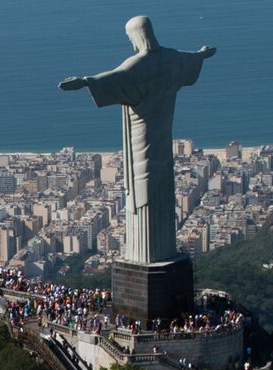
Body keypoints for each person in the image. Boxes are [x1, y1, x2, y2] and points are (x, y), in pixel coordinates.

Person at [59, 15, 216, 263]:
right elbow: (190, 59)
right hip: (164, 137)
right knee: (161, 182)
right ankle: (159, 250)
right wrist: (202, 55)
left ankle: (147, 255)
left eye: (129, 35)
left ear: (137, 35)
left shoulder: (137, 66)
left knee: (143, 185)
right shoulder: (171, 58)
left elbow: (113, 78)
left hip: (142, 139)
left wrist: (84, 82)